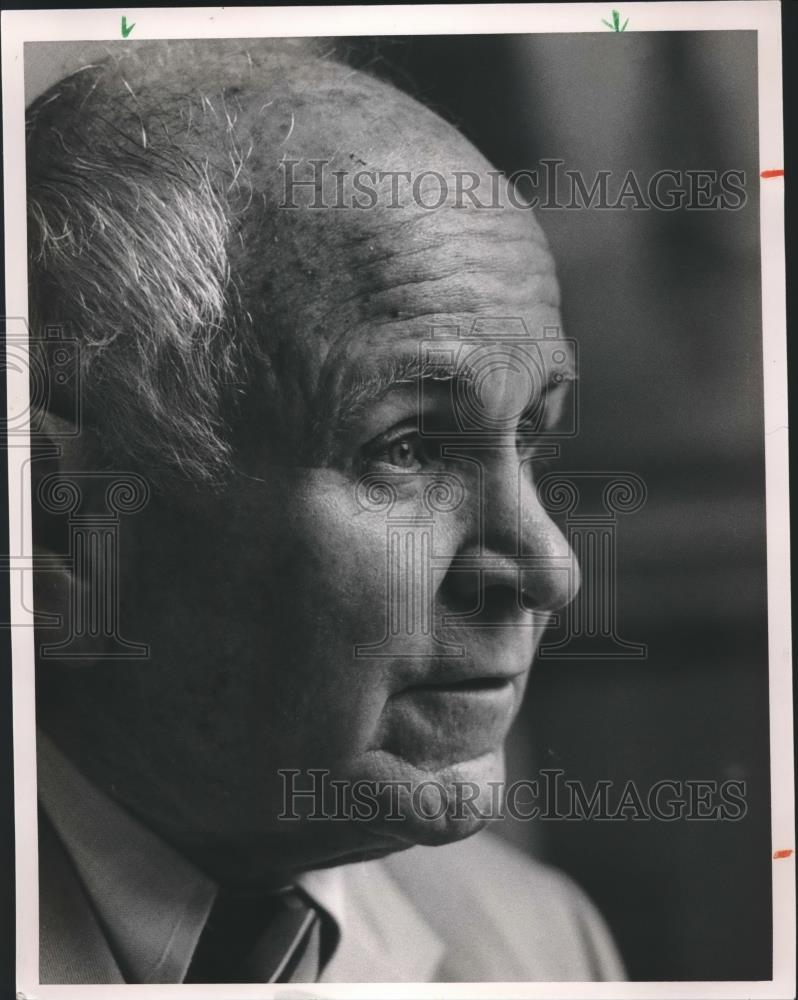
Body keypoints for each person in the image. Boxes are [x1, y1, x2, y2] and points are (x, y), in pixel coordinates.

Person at [26, 39, 625, 984]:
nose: (550, 567)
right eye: (409, 449)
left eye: (531, 439)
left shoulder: (545, 946)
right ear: (61, 533)